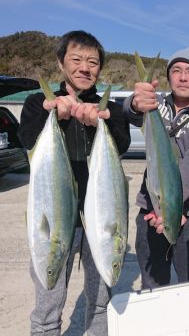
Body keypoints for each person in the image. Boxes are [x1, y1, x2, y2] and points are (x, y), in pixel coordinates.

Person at [18, 30, 130, 336]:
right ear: (60, 63)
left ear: (100, 68)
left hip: (100, 216)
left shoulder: (111, 109)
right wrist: (56, 116)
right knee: (47, 303)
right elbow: (27, 139)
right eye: (77, 59)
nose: (85, 67)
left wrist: (99, 124)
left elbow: (120, 146)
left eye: (92, 62)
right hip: (57, 216)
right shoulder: (37, 102)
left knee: (99, 301)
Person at [123, 47, 189, 289]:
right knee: (152, 284)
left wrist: (171, 207)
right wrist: (135, 102)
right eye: (176, 70)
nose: (183, 77)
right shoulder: (154, 104)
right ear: (169, 76)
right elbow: (128, 111)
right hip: (149, 209)